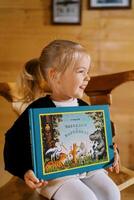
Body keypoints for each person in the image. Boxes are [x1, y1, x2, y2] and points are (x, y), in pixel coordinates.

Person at [4, 40, 120, 200]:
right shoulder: (38, 110)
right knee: (86, 198)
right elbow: (13, 142)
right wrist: (25, 170)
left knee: (112, 193)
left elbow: (101, 137)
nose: (88, 77)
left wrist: (113, 152)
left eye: (87, 71)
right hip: (56, 176)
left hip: (88, 168)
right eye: (81, 71)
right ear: (55, 75)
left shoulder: (84, 107)